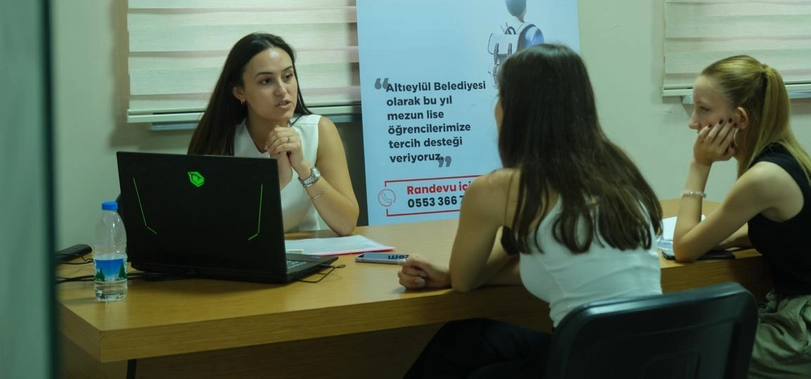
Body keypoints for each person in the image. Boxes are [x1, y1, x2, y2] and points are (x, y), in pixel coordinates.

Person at [398, 43, 663, 378]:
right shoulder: (618, 171)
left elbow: (465, 281)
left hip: (587, 363)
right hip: (655, 356)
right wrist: (457, 272)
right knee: (469, 338)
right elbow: (564, 266)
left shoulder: (501, 189)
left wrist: (458, 271)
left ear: (513, 110)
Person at [672, 55, 811, 379]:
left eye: (703, 109)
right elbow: (793, 233)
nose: (693, 122)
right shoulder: (785, 156)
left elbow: (684, 248)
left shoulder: (763, 178)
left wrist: (699, 165)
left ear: (740, 118)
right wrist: (727, 239)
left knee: (684, 352)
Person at [188, 33, 359, 235]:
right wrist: (275, 183)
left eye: (287, 76)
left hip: (305, 249)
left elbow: (346, 224)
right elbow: (210, 228)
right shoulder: (222, 141)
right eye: (266, 81)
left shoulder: (319, 130)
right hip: (244, 251)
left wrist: (303, 168)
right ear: (239, 92)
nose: (282, 90)